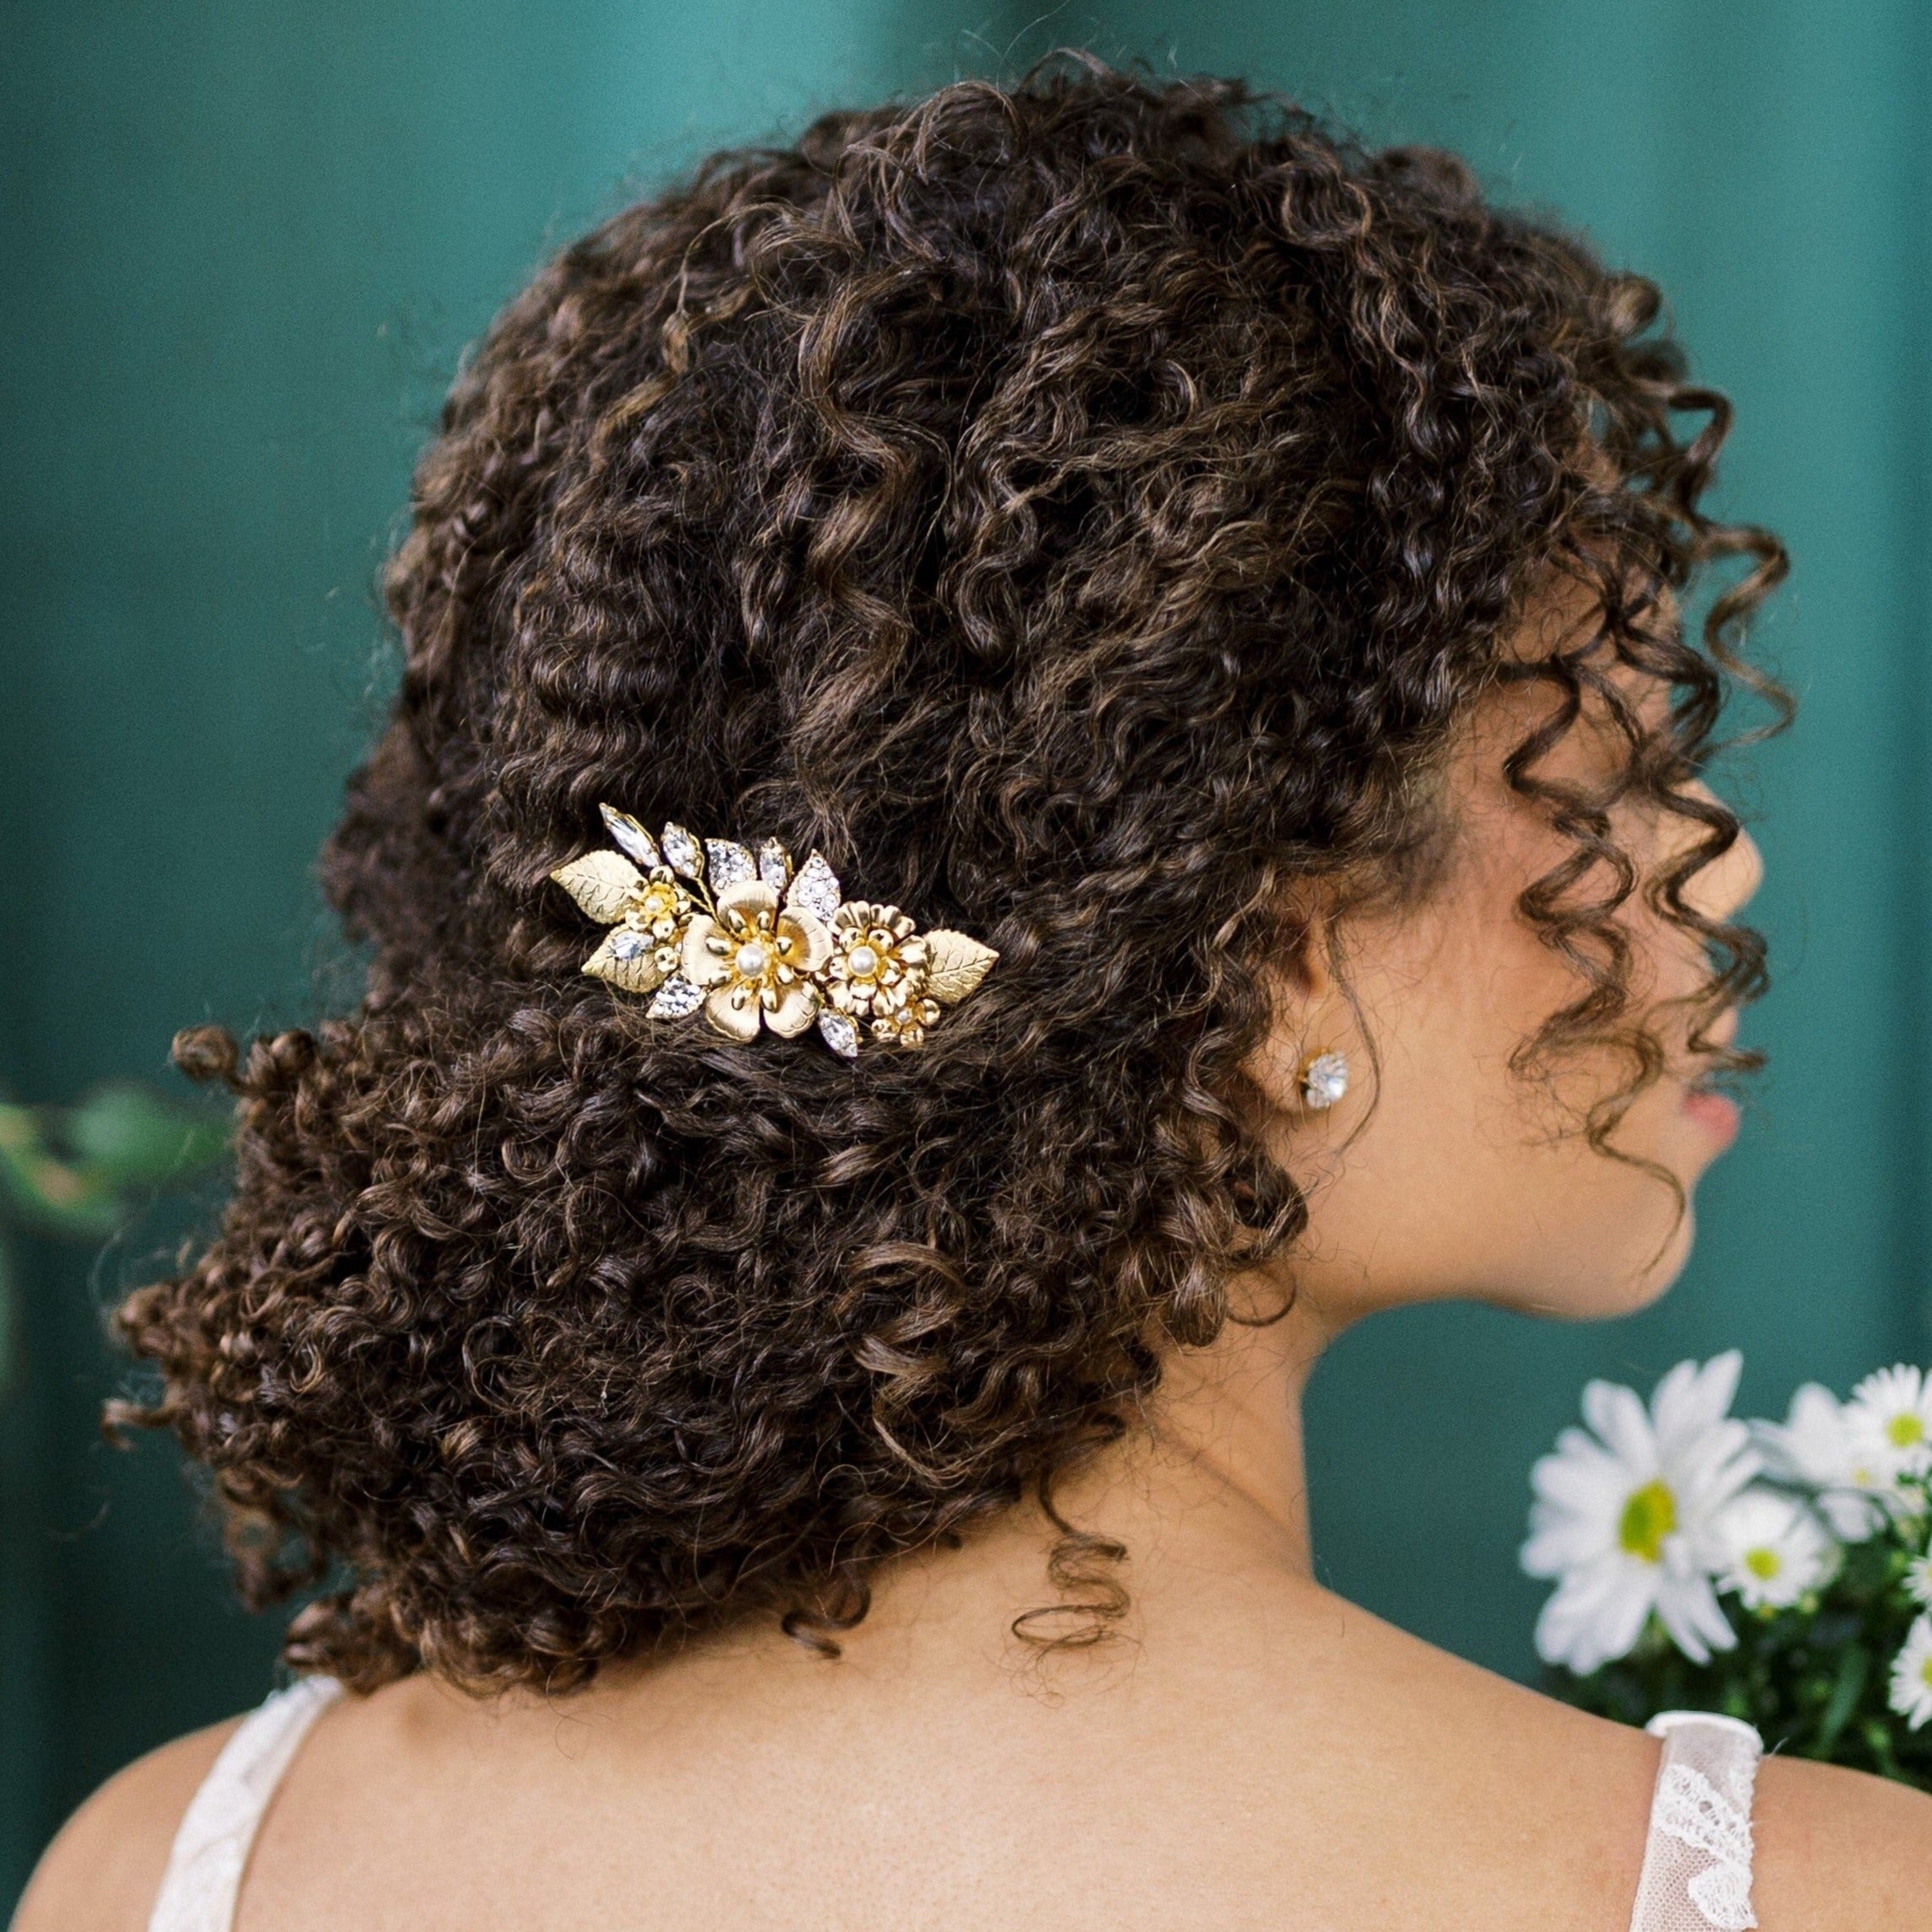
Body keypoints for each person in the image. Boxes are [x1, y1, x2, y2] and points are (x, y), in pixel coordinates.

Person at [16, 60, 1930, 1932]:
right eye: (1602, 772)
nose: (1723, 859)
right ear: (1262, 967)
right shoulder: (1821, 1899)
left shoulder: (171, 1871)